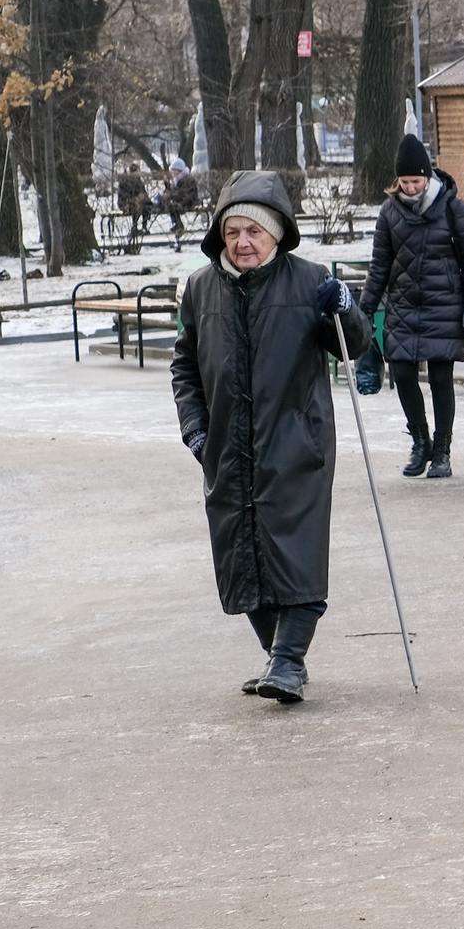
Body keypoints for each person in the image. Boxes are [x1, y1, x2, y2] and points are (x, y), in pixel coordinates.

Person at [169, 170, 373, 706]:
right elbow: (184, 367)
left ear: (276, 233)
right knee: (242, 554)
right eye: (233, 231)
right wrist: (196, 430)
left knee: (297, 552)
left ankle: (286, 660)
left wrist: (345, 307)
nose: (243, 242)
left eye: (254, 232)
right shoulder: (200, 288)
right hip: (226, 449)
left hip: (295, 444)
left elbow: (354, 346)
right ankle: (280, 656)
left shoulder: (309, 282)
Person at [361, 133, 464, 479]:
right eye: (405, 182)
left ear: (427, 177)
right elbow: (379, 265)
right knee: (403, 373)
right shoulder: (389, 212)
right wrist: (364, 310)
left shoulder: (452, 207)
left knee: (440, 378)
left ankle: (442, 450)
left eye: (416, 181)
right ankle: (420, 441)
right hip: (403, 306)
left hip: (445, 304)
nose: (410, 188)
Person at [159, 158, 203, 248]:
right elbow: (175, 192)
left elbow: (183, 194)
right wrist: (167, 185)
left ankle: (179, 225)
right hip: (181, 201)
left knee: (172, 206)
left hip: (188, 202)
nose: (172, 172)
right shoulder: (178, 179)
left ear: (178, 170)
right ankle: (177, 224)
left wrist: (170, 195)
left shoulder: (187, 179)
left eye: (173, 170)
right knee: (168, 204)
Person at [116, 166, 155, 253]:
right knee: (135, 206)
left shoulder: (139, 182)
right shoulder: (124, 182)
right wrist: (134, 199)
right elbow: (123, 196)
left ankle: (144, 227)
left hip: (139, 203)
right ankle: (134, 227)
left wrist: (143, 197)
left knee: (146, 205)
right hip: (126, 203)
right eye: (136, 172)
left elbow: (144, 193)